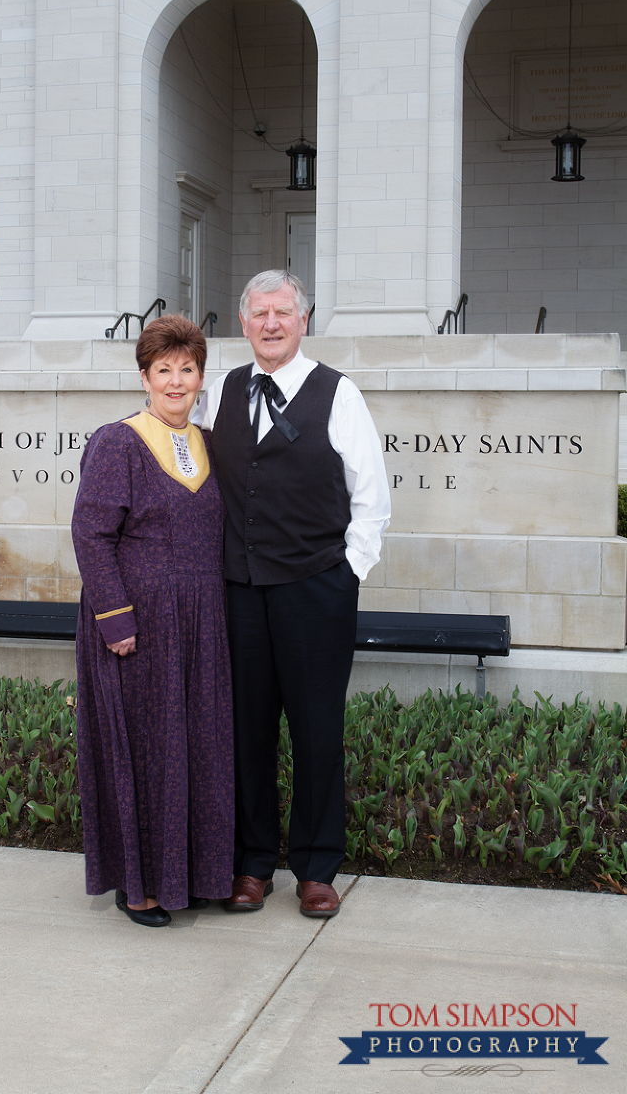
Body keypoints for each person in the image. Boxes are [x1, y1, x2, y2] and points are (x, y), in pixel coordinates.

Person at [194, 270, 390, 919]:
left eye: (283, 313)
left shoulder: (338, 393)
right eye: (259, 314)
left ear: (304, 320)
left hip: (315, 590)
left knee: (316, 730)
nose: (271, 324)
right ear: (244, 323)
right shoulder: (222, 389)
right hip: (240, 592)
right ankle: (252, 865)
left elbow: (371, 496)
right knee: (246, 731)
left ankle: (315, 866)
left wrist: (346, 574)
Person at [72, 315, 234, 928]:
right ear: (144, 377)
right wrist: (115, 618)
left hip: (202, 626)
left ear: (199, 377)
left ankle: (193, 877)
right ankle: (137, 884)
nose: (175, 381)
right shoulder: (117, 442)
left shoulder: (211, 442)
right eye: (162, 370)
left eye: (186, 369)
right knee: (144, 750)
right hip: (136, 626)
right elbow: (90, 533)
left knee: (198, 747)